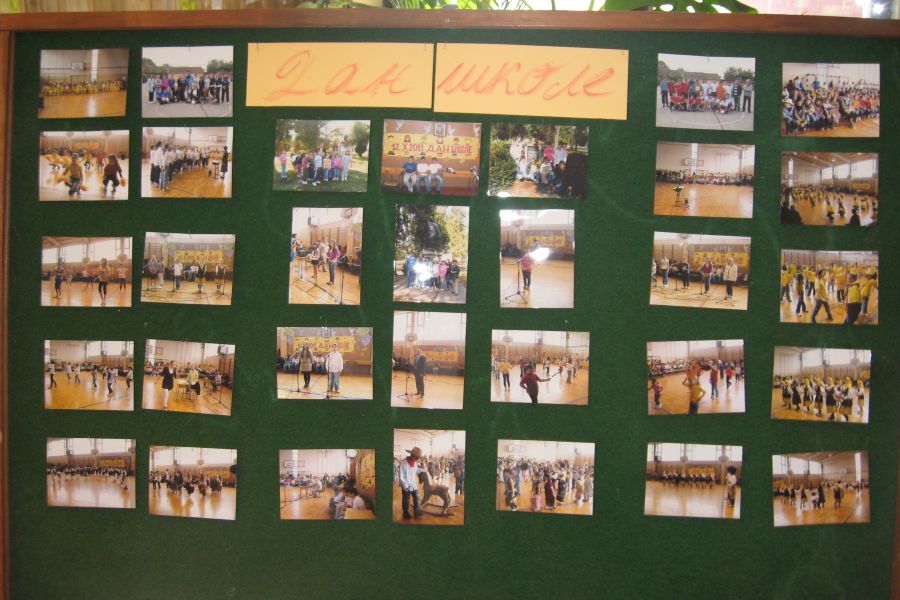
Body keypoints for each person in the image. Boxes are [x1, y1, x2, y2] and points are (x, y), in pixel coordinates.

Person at [399, 446, 424, 519]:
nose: (418, 459)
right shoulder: (404, 463)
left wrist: (423, 471)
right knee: (406, 499)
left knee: (416, 498)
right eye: (417, 457)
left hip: (414, 485)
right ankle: (405, 512)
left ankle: (416, 511)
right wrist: (406, 486)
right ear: (412, 455)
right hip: (406, 485)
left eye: (418, 457)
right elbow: (401, 476)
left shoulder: (415, 463)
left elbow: (417, 470)